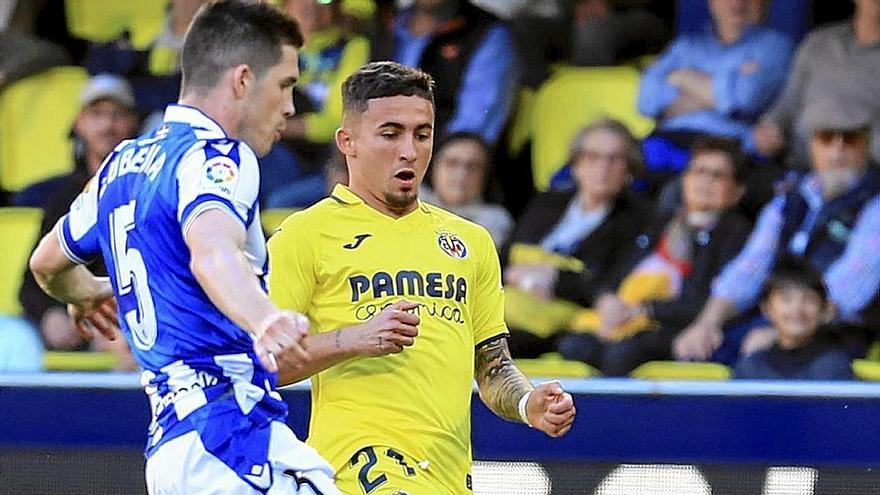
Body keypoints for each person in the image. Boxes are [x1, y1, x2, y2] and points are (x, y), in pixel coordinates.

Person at [27, 2, 338, 494]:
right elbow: (212, 249)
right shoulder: (219, 156)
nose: (290, 107)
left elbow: (46, 263)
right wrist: (263, 318)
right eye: (285, 85)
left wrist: (85, 288)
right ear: (242, 80)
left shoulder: (121, 164)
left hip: (174, 452)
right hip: (231, 442)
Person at [268, 61, 575, 494]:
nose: (409, 150)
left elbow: (492, 367)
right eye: (391, 134)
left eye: (422, 134)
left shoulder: (470, 242)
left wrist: (527, 403)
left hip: (448, 477)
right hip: (356, 471)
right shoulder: (305, 235)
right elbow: (262, 363)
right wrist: (355, 338)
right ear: (348, 142)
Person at [674, 96, 880, 365]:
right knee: (696, 351)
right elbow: (751, 266)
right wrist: (707, 323)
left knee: (758, 363)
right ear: (811, 145)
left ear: (866, 144)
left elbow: (851, 285)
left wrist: (779, 332)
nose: (837, 149)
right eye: (827, 138)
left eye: (849, 139)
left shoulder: (875, 204)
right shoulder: (789, 198)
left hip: (837, 330)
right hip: (777, 320)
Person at [557, 136, 752, 375]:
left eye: (717, 175)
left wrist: (646, 310)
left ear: (737, 191)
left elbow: (713, 298)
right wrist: (606, 299)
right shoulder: (655, 221)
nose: (705, 181)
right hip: (620, 317)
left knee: (621, 355)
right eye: (698, 171)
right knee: (573, 346)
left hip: (670, 325)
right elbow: (609, 273)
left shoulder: (736, 233)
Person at [16, 74, 139, 369]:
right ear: (79, 123)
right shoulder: (64, 197)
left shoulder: (147, 188)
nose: (108, 125)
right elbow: (31, 283)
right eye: (97, 114)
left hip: (133, 327)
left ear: (133, 123)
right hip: (76, 325)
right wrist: (50, 316)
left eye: (117, 114)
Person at [501, 119, 651, 358]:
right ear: (576, 164)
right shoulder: (547, 203)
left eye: (614, 159)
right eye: (592, 157)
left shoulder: (638, 219)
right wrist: (518, 275)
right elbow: (503, 258)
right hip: (511, 302)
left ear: (629, 169)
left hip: (568, 323)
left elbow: (610, 283)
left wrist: (554, 277)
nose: (603, 168)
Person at [637, 0, 792, 179]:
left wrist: (680, 77)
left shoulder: (775, 46)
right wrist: (728, 85)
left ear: (764, 4)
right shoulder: (686, 46)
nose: (737, 3)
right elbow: (646, 101)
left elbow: (746, 98)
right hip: (669, 143)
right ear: (712, 3)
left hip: (729, 149)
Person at [752, 0, 880, 169]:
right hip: (798, 166)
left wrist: (846, 149)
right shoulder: (819, 42)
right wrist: (772, 126)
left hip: (862, 173)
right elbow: (788, 103)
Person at [734, 258, 855, 380]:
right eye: (787, 299)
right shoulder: (750, 368)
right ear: (767, 308)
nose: (797, 309)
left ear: (824, 309)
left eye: (808, 299)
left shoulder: (833, 366)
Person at [420, 131, 514, 248]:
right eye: (452, 163)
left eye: (473, 166)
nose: (461, 174)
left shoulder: (495, 219)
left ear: (486, 175)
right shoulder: (409, 200)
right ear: (432, 167)